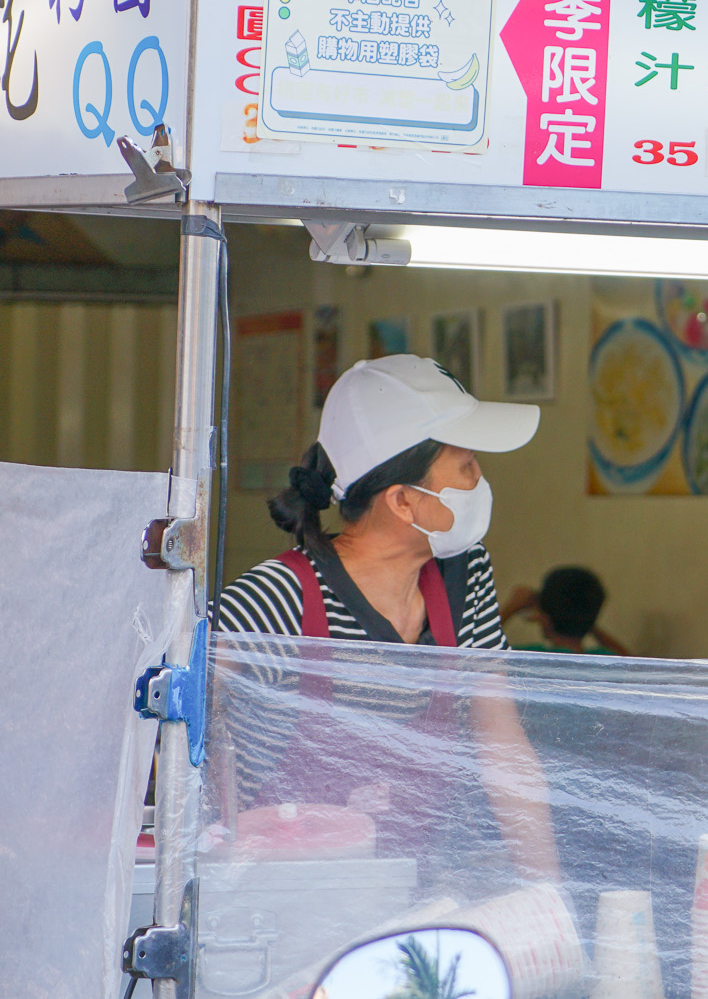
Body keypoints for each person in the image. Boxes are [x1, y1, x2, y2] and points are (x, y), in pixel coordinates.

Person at [213, 353, 559, 881]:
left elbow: (505, 757)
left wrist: (549, 899)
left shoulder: (463, 579)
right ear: (401, 501)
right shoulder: (277, 600)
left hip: (406, 902)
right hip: (276, 910)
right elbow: (171, 747)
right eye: (465, 465)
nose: (480, 477)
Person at [501, 566, 631, 655]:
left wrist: (511, 608)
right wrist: (583, 618)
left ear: (544, 616)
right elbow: (636, 665)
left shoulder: (530, 658)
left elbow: (482, 653)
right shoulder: (602, 659)